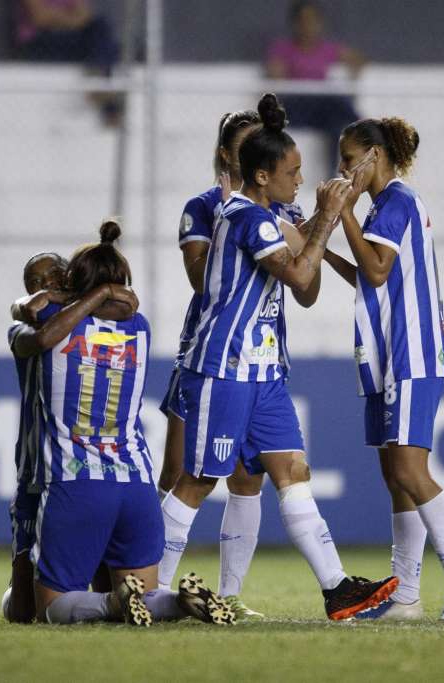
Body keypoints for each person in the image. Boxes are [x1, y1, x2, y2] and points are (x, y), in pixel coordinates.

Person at [157, 93, 398, 621]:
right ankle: (147, 586)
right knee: (196, 480)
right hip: (223, 366)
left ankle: (336, 587)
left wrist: (318, 227)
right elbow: (297, 272)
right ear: (261, 175)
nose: (301, 180)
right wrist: (328, 217)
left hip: (265, 371)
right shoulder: (244, 216)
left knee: (291, 469)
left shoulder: (269, 215)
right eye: (292, 171)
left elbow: (305, 287)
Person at [14, 221, 235, 626]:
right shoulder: (140, 326)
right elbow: (122, 304)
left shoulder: (53, 323)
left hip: (76, 481)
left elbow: (31, 311)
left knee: (50, 607)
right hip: (136, 485)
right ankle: (179, 601)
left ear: (72, 283)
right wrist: (107, 291)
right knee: (145, 595)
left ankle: (109, 605)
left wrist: (67, 295)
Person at [321, 117, 444, 621]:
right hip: (388, 354)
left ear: (375, 156)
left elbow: (377, 270)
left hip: (413, 352)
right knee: (396, 476)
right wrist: (321, 252)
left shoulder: (397, 201)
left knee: (411, 470)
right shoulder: (382, 207)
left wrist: (343, 214)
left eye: (349, 159)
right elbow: (371, 278)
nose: (343, 169)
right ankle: (406, 595)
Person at [156, 109, 308, 620]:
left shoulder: (278, 207)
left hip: (260, 359)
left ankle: (230, 594)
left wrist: (298, 228)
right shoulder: (203, 208)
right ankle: (143, 581)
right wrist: (238, 224)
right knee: (180, 472)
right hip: (206, 355)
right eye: (246, 148)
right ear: (228, 155)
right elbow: (203, 281)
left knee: (247, 479)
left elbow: (303, 275)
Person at [2, 251, 123, 623]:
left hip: (81, 466)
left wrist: (64, 297)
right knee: (23, 611)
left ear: (68, 275)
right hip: (36, 469)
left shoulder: (95, 318)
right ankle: (28, 589)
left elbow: (127, 301)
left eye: (54, 274)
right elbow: (29, 323)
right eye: (36, 282)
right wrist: (41, 301)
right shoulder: (21, 331)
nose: (47, 283)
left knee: (108, 581)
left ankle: (109, 601)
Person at [266, 1, 367, 172]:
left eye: (313, 20)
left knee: (335, 124)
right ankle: (363, 127)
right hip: (296, 107)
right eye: (303, 20)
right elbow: (275, 79)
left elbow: (358, 59)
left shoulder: (326, 48)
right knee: (335, 100)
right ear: (295, 23)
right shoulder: (283, 48)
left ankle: (331, 175)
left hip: (321, 109)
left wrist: (353, 75)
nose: (308, 26)